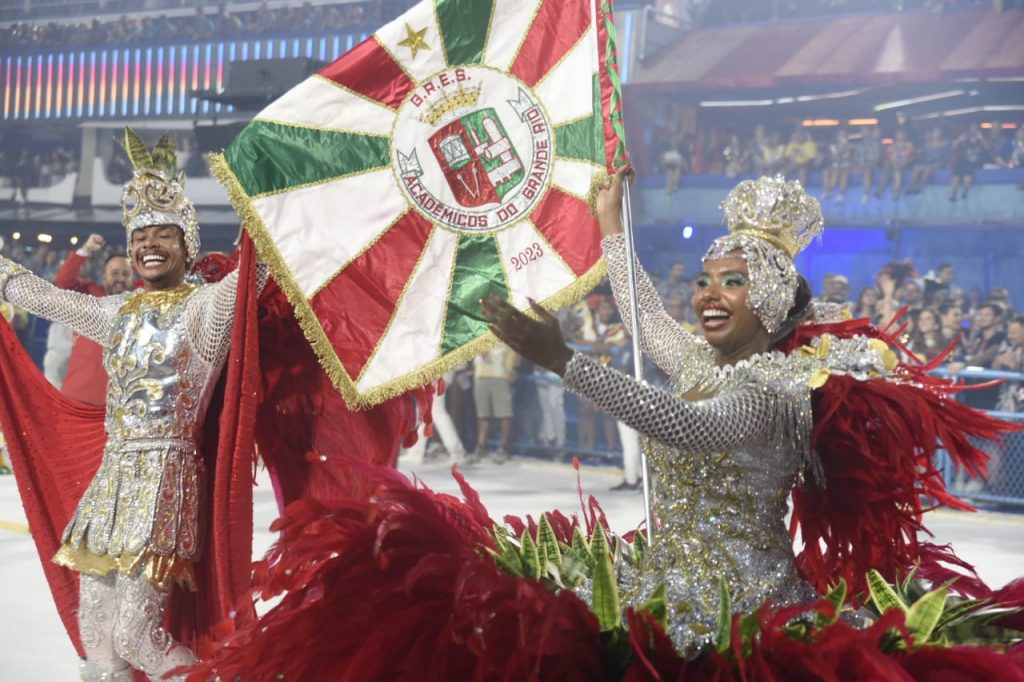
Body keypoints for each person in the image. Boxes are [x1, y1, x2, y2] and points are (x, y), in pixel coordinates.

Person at [482, 173, 1005, 649]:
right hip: (663, 594)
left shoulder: (774, 389)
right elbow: (642, 311)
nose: (710, 293)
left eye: (733, 281)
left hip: (748, 617)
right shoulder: (696, 364)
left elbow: (691, 425)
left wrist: (563, 361)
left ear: (772, 299)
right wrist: (610, 219)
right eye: (704, 280)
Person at [0, 129, 265, 680]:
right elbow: (46, 297)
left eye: (164, 234)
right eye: (140, 234)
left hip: (165, 477)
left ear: (187, 244)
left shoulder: (206, 308)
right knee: (95, 634)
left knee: (136, 635)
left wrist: (265, 208)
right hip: (112, 477)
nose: (149, 244)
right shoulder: (117, 312)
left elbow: (257, 273)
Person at [54, 233, 134, 406]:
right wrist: (86, 250)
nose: (120, 278)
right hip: (79, 397)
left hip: (121, 404)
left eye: (126, 274)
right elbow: (64, 282)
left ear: (133, 278)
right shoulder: (90, 295)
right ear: (104, 276)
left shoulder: (141, 303)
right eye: (114, 273)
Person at [471, 342, 519, 463]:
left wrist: (515, 368)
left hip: (501, 374)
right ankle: (481, 446)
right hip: (481, 374)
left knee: (504, 413)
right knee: (482, 414)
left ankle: (503, 447)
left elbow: (518, 348)